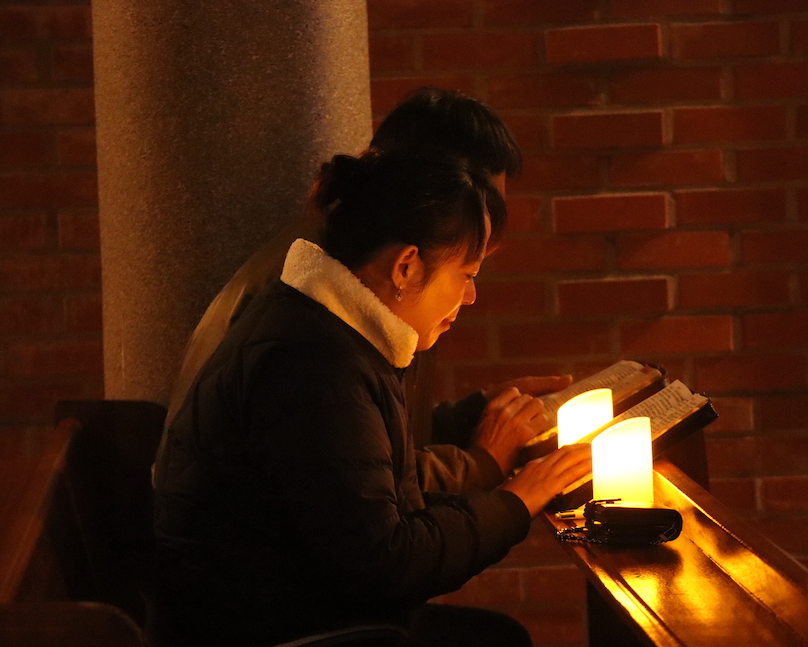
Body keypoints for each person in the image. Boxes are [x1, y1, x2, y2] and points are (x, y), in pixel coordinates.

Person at [150, 150, 592, 647]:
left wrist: (482, 428)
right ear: (406, 266)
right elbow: (386, 562)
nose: (471, 296)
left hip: (283, 622)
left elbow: (365, 481)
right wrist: (518, 501)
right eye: (466, 274)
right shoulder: (312, 361)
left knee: (501, 644)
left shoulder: (322, 327)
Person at [159, 87, 572, 499]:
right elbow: (350, 475)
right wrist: (488, 464)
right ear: (426, 187)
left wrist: (476, 416)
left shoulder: (366, 276)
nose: (487, 229)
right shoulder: (314, 293)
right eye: (477, 201)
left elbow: (369, 434)